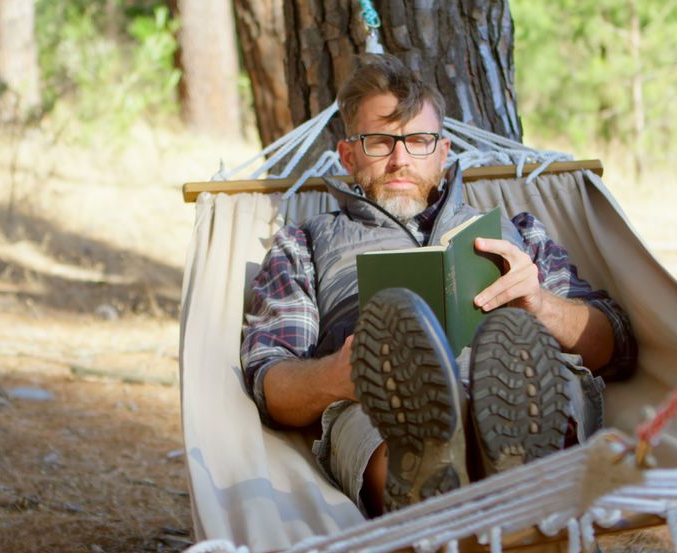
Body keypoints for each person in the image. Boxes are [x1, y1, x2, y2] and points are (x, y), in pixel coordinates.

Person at [241, 54, 636, 517]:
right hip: (382, 405)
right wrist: (336, 375)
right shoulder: (303, 245)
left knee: (537, 380)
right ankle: (452, 479)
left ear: (443, 152)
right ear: (348, 155)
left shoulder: (517, 232)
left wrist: (541, 305)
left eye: (418, 141)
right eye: (379, 143)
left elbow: (615, 345)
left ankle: (490, 467)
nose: (400, 159)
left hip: (523, 383)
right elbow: (271, 383)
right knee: (388, 423)